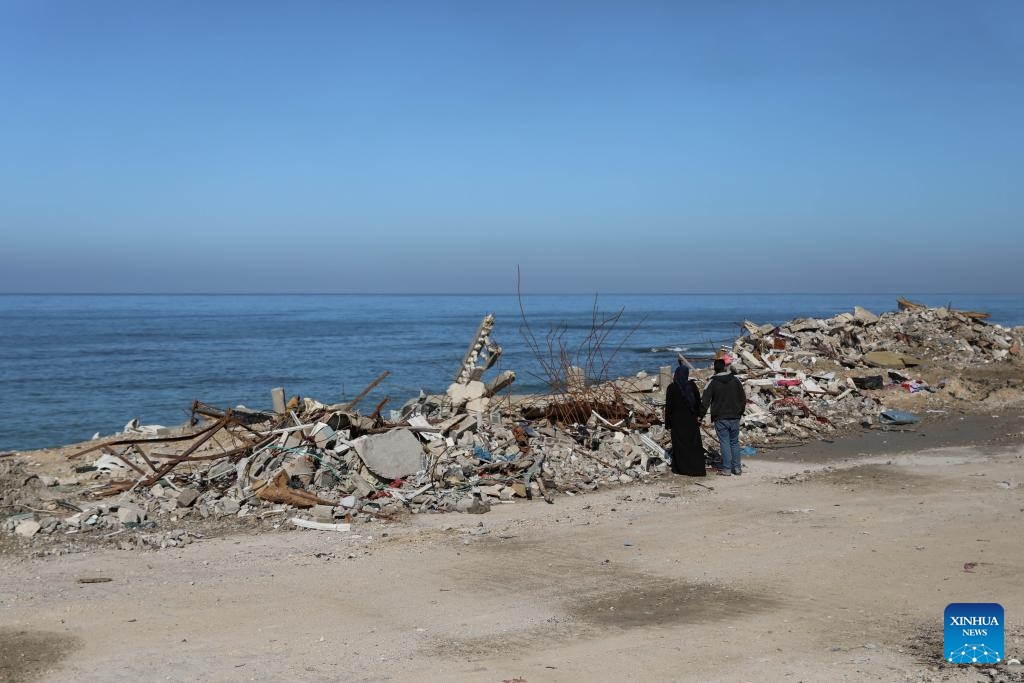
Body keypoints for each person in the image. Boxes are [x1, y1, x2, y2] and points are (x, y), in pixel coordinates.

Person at [701, 358, 746, 476]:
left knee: (725, 442)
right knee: (734, 442)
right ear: (725, 367)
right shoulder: (735, 380)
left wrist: (699, 416)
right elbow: (743, 398)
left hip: (720, 417)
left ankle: (727, 469)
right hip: (735, 416)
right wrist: (740, 412)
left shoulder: (712, 381)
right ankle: (737, 468)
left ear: (715, 369)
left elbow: (705, 401)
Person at [664, 364, 705, 476]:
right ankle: (697, 469)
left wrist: (667, 424)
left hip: (677, 422)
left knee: (680, 445)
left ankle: (681, 468)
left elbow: (668, 407)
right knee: (693, 445)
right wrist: (699, 416)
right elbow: (698, 403)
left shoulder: (672, 388)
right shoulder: (692, 386)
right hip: (691, 420)